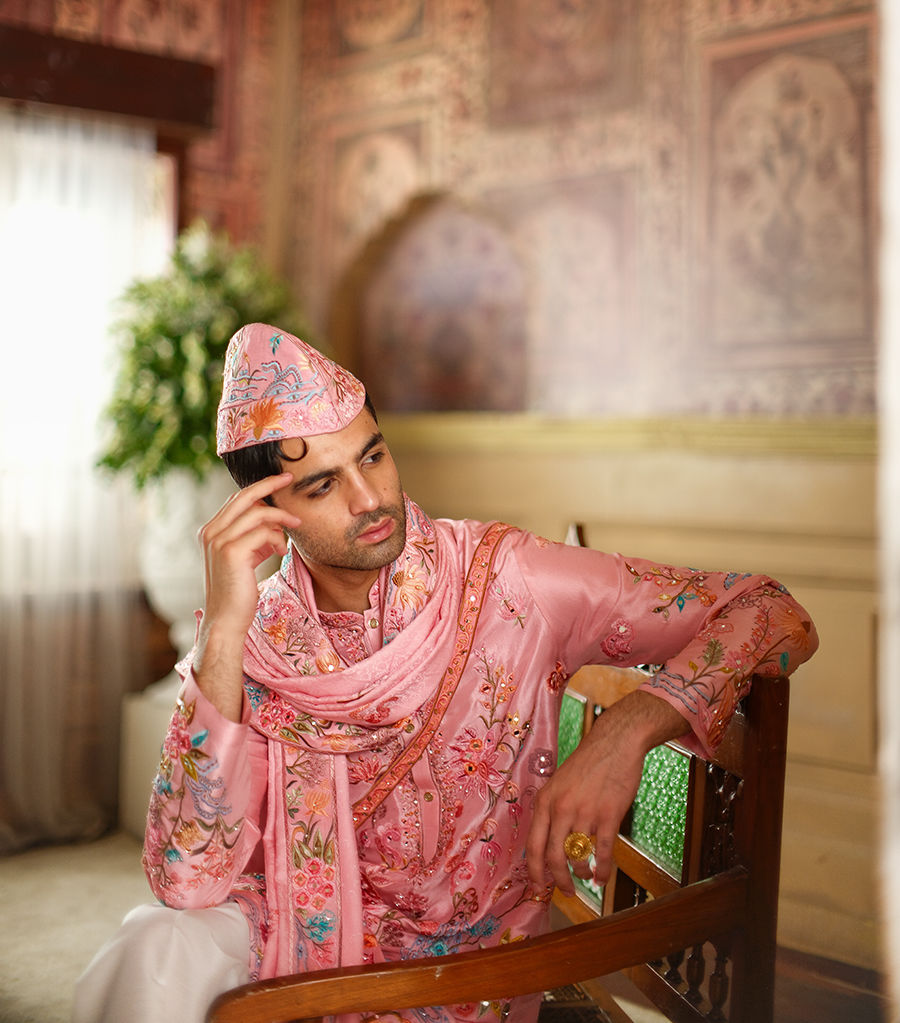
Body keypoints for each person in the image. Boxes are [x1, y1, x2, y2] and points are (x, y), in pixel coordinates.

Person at [73, 323, 818, 1023]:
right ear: (266, 510)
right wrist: (223, 627)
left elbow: (774, 612)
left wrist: (627, 729)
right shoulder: (259, 641)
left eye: (372, 456)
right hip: (300, 937)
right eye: (323, 485)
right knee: (154, 945)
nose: (370, 498)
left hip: (461, 976)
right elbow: (187, 881)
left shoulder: (511, 579)